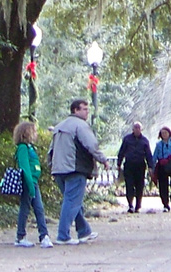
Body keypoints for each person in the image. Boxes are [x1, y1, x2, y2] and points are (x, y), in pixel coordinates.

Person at [50, 98, 110, 244]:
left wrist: (51, 166)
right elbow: (91, 145)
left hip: (58, 169)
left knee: (73, 201)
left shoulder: (59, 126)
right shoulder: (80, 126)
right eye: (84, 109)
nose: (87, 112)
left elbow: (51, 150)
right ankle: (63, 236)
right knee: (71, 202)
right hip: (75, 168)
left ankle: (84, 231)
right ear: (75, 110)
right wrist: (103, 160)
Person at [11, 120, 53, 248]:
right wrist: (30, 186)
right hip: (28, 183)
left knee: (39, 209)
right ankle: (21, 236)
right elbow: (25, 168)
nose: (36, 134)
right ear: (26, 133)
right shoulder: (22, 148)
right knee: (26, 209)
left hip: (33, 182)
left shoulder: (30, 147)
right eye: (33, 132)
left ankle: (44, 236)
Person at [118, 121, 154, 212]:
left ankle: (138, 205)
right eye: (135, 127)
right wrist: (119, 163)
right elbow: (122, 151)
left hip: (140, 166)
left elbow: (148, 154)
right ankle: (130, 205)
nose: (137, 129)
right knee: (129, 185)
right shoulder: (127, 139)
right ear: (132, 129)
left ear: (141, 129)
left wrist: (150, 166)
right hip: (129, 165)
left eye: (139, 128)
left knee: (139, 185)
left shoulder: (145, 141)